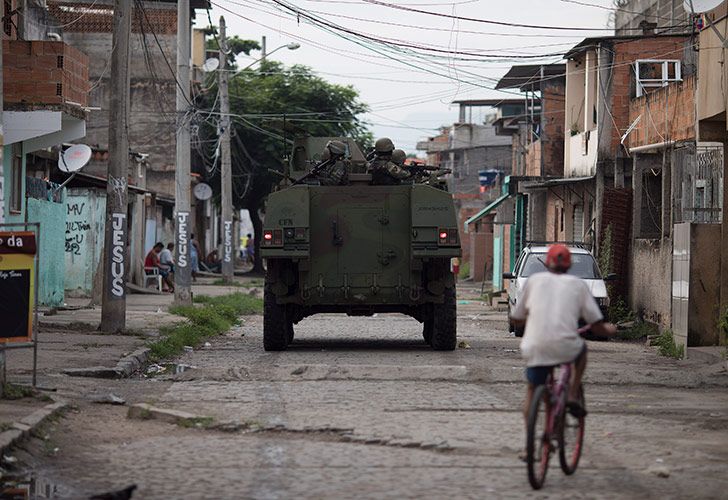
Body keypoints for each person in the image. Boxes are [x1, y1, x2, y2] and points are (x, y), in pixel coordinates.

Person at [510, 244, 616, 430]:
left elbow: (517, 318)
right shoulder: (578, 285)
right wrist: (610, 330)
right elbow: (597, 325)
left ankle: (529, 447)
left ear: (547, 264)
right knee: (581, 351)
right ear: (569, 266)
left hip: (536, 345)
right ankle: (572, 394)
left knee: (532, 389)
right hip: (566, 345)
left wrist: (527, 320)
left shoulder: (533, 281)